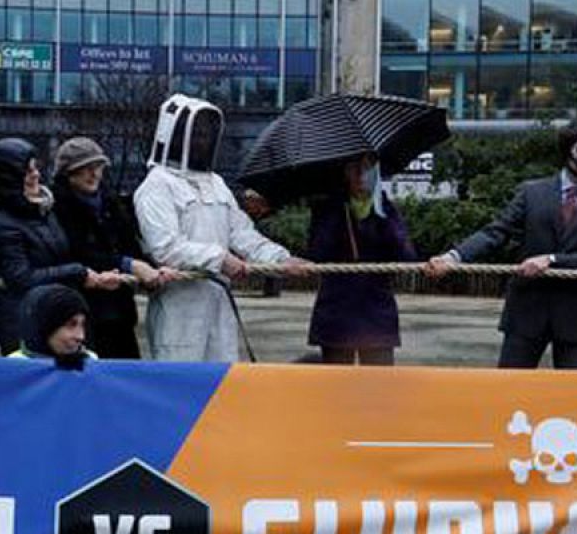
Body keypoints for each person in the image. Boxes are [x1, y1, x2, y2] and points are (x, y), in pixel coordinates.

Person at [424, 119, 577, 368]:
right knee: (510, 386)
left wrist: (552, 260)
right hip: (528, 310)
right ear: (567, 151)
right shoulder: (532, 192)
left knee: (574, 389)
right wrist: (454, 257)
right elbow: (496, 232)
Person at [133, 94, 310, 362]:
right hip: (179, 308)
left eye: (207, 134)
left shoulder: (216, 184)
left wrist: (281, 259)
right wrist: (220, 259)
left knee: (224, 378)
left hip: (219, 304)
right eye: (196, 134)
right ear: (175, 136)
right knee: (182, 380)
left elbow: (241, 233)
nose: (202, 141)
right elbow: (165, 248)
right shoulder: (156, 186)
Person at [0, 137, 122, 354]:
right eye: (27, 171)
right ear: (10, 178)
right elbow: (21, 277)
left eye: (35, 168)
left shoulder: (45, 210)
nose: (36, 175)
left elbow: (64, 257)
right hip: (23, 321)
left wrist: (94, 275)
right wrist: (77, 272)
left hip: (58, 315)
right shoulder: (1, 223)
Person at [51, 136, 176, 359]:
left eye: (98, 167)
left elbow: (131, 246)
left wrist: (153, 270)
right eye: (85, 168)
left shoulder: (111, 203)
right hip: (80, 314)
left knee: (126, 373)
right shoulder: (56, 209)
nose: (94, 174)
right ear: (68, 173)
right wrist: (129, 265)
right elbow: (74, 253)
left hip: (120, 312)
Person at [303, 155, 416, 365]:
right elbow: (316, 253)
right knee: (336, 382)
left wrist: (382, 215)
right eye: (354, 168)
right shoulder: (328, 208)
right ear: (345, 173)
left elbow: (407, 257)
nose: (361, 175)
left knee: (378, 383)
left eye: (368, 168)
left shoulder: (387, 208)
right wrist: (337, 211)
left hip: (377, 313)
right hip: (336, 311)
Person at [8, 283, 96, 369]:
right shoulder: (13, 367)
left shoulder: (91, 361)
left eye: (83, 325)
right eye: (71, 325)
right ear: (44, 327)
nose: (81, 336)